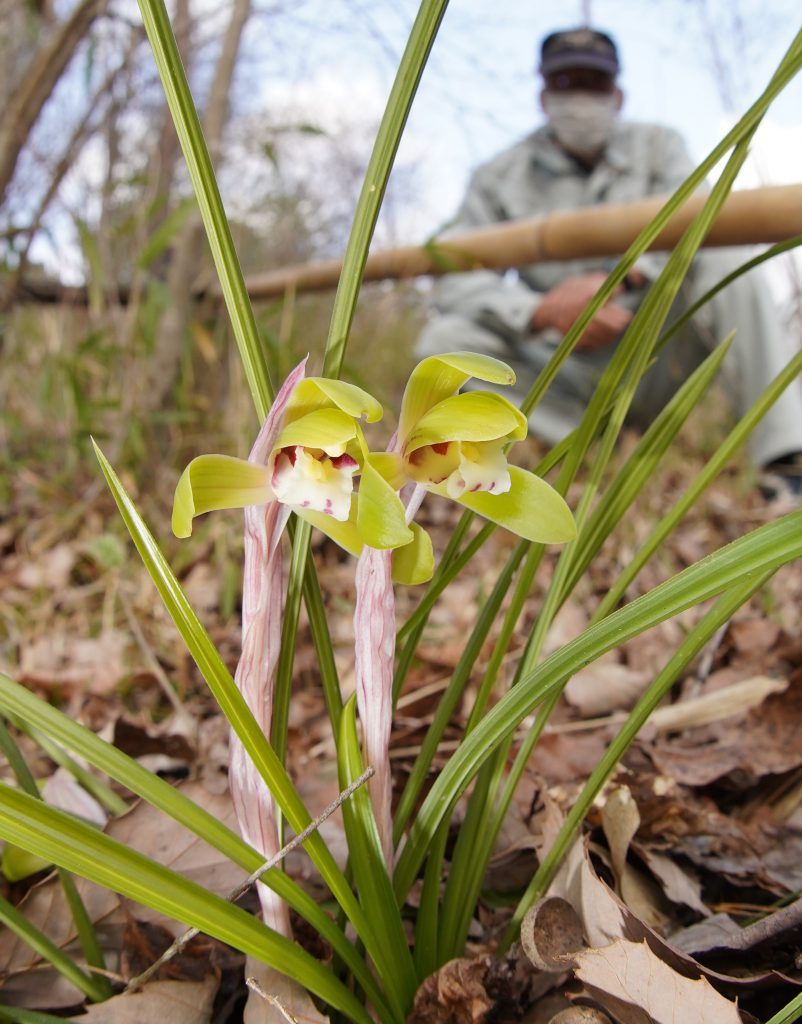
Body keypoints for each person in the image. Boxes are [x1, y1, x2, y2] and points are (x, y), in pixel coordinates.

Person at [416, 27, 802, 500]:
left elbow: (699, 221)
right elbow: (456, 274)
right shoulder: (496, 176)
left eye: (593, 83)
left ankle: (787, 462)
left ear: (617, 95)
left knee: (723, 258)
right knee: (442, 348)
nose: (580, 99)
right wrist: (541, 310)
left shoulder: (660, 147)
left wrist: (613, 283)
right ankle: (569, 446)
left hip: (655, 354)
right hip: (558, 368)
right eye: (565, 83)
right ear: (542, 95)